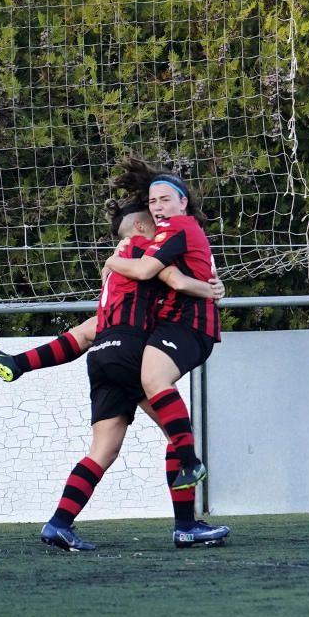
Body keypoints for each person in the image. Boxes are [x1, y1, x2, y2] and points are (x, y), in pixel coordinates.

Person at [40, 200, 230, 551]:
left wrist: (23, 364)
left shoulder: (114, 270)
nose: (163, 225)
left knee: (102, 451)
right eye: (154, 218)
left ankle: (58, 524)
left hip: (100, 356)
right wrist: (211, 289)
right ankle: (186, 526)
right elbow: (172, 278)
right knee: (178, 435)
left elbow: (87, 330)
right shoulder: (144, 255)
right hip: (128, 354)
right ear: (143, 228)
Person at [103, 158, 221, 491]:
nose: (157, 206)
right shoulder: (173, 233)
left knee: (153, 380)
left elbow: (148, 273)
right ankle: (186, 523)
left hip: (188, 324)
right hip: (172, 324)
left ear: (183, 202)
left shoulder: (177, 228)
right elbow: (185, 278)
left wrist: (113, 259)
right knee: (171, 421)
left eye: (165, 199)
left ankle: (192, 463)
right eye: (152, 201)